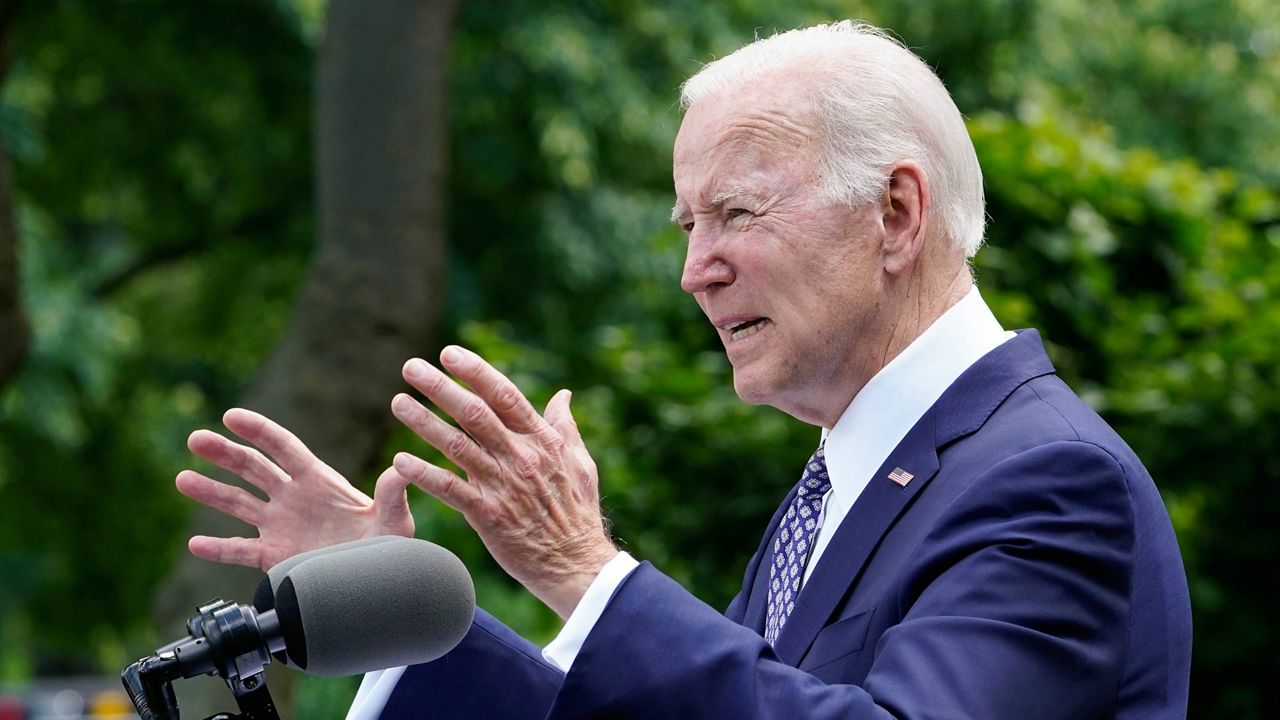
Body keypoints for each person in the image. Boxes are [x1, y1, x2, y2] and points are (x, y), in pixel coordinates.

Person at [176, 21, 1192, 719]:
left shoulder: (1050, 483)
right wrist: (397, 617)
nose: (693, 271)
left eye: (736, 213)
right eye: (687, 223)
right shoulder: (845, 482)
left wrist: (582, 569)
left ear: (894, 215)